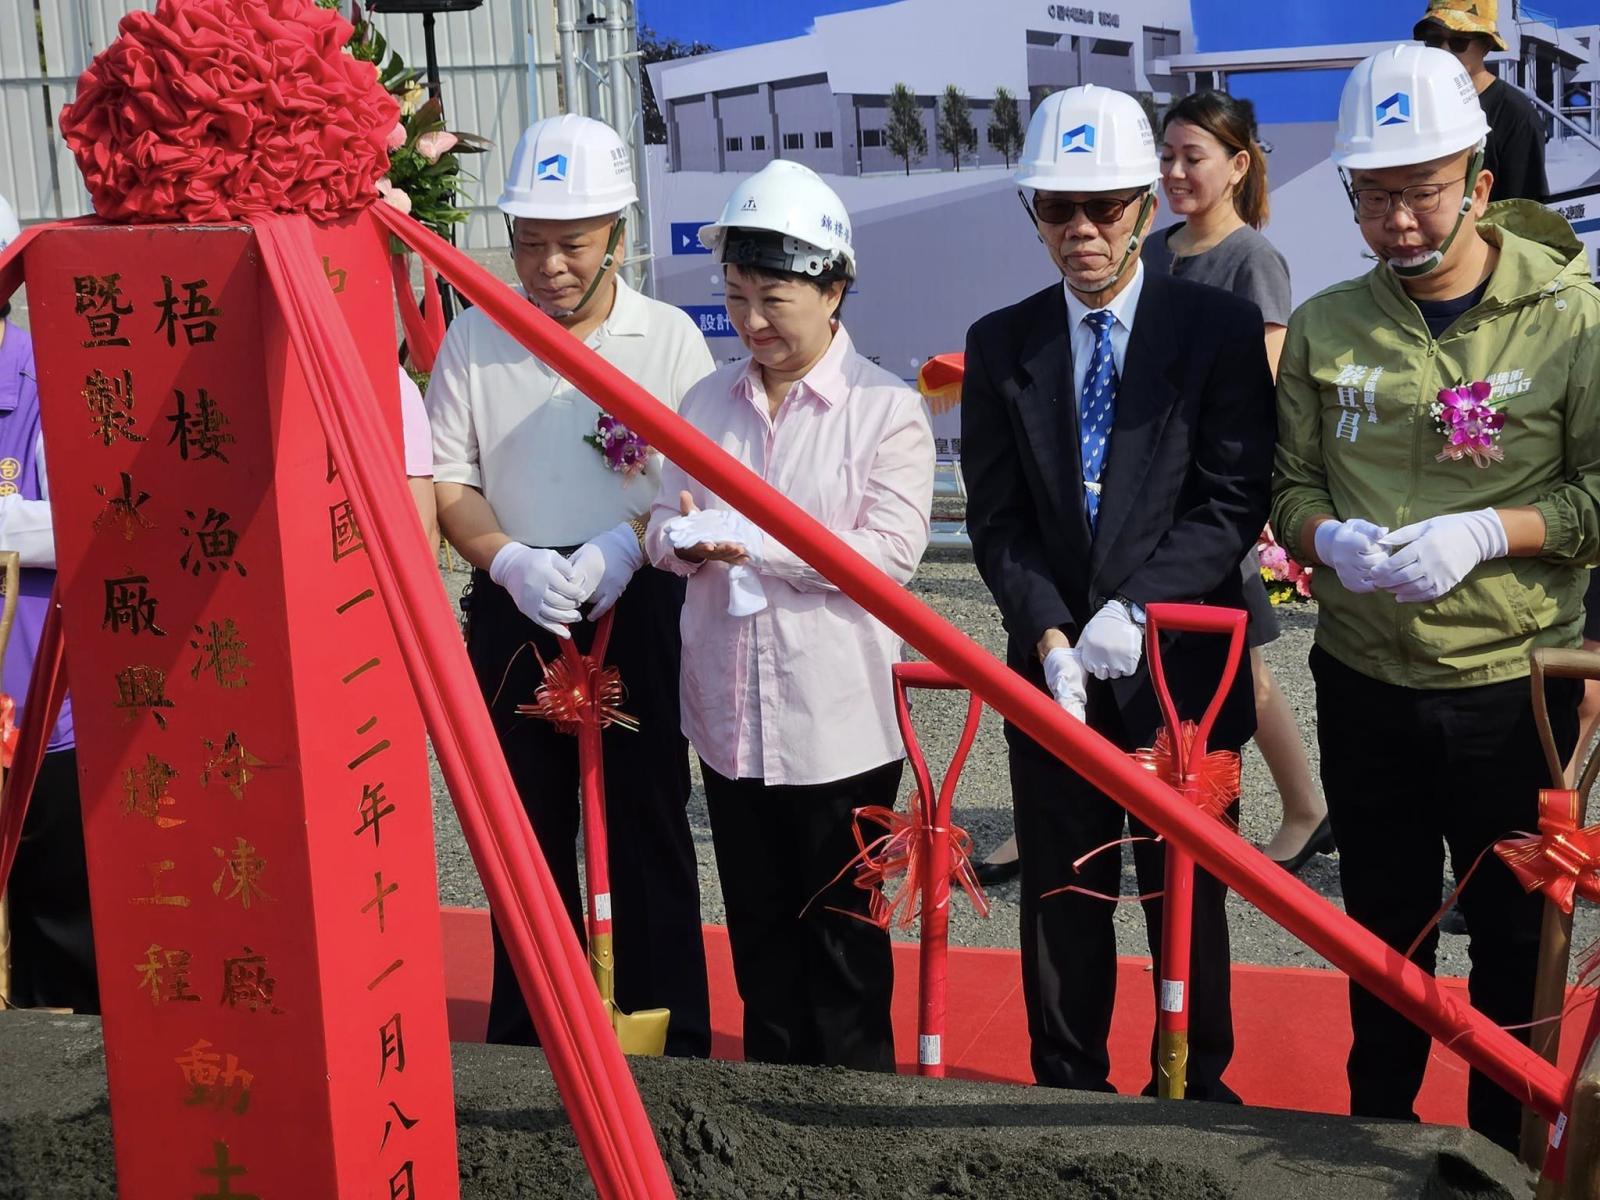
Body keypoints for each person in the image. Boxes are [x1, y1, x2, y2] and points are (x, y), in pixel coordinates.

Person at [1272, 44, 1600, 1149]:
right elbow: (1288, 486)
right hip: (1363, 679)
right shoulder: (1325, 324)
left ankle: (1499, 1158)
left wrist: (1488, 531)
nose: (1399, 222)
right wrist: (1328, 539)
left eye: (1420, 192)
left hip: (1516, 693)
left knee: (1515, 945)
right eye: (1373, 197)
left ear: (1477, 182)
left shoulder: (1568, 316)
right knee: (1382, 934)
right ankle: (1374, 1142)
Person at [963, 85, 1275, 1099]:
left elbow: (1231, 501)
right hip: (1055, 675)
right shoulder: (1003, 342)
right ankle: (1067, 1088)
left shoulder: (1217, 327)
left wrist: (1134, 609)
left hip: (1184, 663)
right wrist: (1051, 632)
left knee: (1186, 889)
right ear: (1033, 215)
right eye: (1059, 209)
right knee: (1064, 892)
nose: (1083, 230)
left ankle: (1197, 1086)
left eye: (1104, 207)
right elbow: (997, 519)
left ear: (1146, 203)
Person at [427, 114, 716, 1056]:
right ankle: (529, 1037)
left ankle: (669, 1034)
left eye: (572, 244)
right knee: (524, 831)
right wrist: (505, 558)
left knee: (647, 820)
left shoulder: (668, 338)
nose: (548, 265)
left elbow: (691, 482)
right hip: (514, 603)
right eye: (531, 242)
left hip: (637, 597)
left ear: (619, 239)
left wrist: (627, 545)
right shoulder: (474, 336)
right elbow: (449, 481)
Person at [646, 160, 934, 1071]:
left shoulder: (886, 410)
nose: (753, 321)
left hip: (837, 729)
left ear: (835, 288)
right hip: (729, 725)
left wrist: (753, 543)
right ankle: (773, 1129)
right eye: (736, 297)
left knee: (846, 954)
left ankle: (859, 1136)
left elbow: (886, 556)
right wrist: (682, 544)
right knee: (761, 947)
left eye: (775, 298)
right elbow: (659, 522)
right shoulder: (705, 403)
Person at [1145, 90, 1333, 873]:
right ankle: (1298, 806)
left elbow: (1265, 382)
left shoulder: (1251, 259)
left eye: (1195, 157)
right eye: (1168, 158)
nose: (1178, 173)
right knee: (1230, 657)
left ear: (1238, 165)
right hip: (1147, 496)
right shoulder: (1151, 249)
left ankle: (1291, 807)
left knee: (1237, 658)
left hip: (1211, 498)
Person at [0, 194, 97, 1013]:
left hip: (37, 716)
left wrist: (14, 527)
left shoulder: (50, 375)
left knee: (59, 930)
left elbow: (101, 519)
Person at [1414, 0, 1549, 203]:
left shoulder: (1516, 115)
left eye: (1458, 41)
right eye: (1434, 40)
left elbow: (1522, 213)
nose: (1444, 50)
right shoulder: (1417, 103)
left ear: (1485, 45)